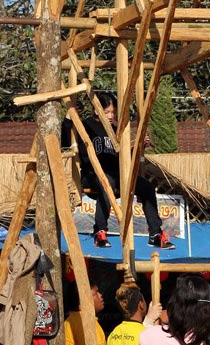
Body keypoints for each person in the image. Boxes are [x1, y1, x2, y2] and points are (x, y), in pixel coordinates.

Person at [62, 92, 174, 250]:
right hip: (92, 175)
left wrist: (139, 146)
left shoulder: (116, 129)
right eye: (107, 112)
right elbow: (66, 138)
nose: (110, 116)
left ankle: (155, 234)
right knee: (106, 180)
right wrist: (69, 115)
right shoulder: (86, 125)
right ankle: (100, 231)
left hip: (117, 175)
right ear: (97, 110)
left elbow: (123, 156)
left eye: (113, 112)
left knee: (147, 187)